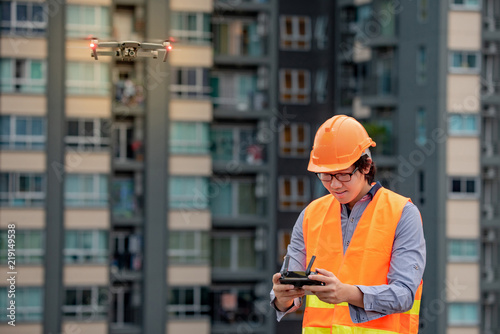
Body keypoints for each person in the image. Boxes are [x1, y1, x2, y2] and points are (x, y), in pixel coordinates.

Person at [271, 115, 426, 333]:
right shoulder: (311, 214)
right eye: (325, 176)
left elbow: (404, 295)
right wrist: (281, 297)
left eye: (343, 174)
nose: (334, 184)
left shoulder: (402, 214)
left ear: (366, 166)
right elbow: (286, 294)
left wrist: (347, 293)